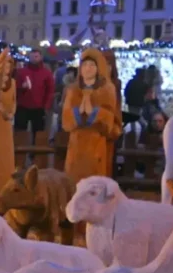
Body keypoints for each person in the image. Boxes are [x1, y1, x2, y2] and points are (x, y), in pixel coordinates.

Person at [61, 47, 121, 184]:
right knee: (74, 182)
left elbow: (111, 120)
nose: (88, 68)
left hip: (96, 144)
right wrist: (78, 114)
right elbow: (66, 118)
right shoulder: (73, 90)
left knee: (94, 184)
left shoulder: (107, 90)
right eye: (85, 65)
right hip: (76, 144)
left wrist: (94, 113)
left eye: (92, 65)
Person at [14, 50, 54, 167]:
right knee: (20, 132)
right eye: (32, 56)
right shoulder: (21, 72)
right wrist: (21, 87)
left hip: (39, 108)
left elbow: (50, 91)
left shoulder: (46, 73)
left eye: (36, 56)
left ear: (40, 57)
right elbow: (14, 88)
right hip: (22, 106)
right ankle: (19, 158)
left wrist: (46, 106)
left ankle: (37, 158)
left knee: (38, 134)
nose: (34, 59)